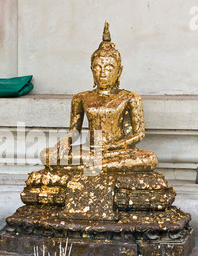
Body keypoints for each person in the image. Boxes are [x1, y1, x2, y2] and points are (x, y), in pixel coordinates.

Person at [40, 22, 158, 172]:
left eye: (109, 68)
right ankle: (101, 166)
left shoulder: (130, 98)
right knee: (46, 155)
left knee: (149, 158)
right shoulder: (81, 98)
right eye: (98, 68)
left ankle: (95, 167)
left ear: (119, 71)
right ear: (91, 70)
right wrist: (65, 140)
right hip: (92, 151)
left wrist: (113, 146)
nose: (102, 73)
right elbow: (74, 132)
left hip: (119, 152)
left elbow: (139, 134)